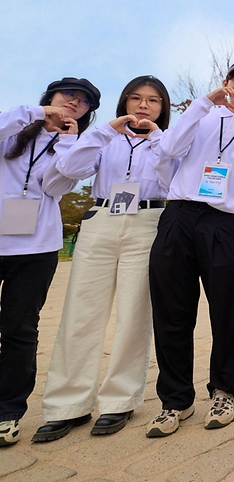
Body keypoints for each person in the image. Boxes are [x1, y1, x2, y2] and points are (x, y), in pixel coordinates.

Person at [34, 76, 174, 442]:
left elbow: (173, 180)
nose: (143, 105)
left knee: (133, 314)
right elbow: (70, 168)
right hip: (101, 221)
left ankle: (119, 401)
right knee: (81, 312)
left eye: (153, 100)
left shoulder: (167, 142)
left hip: (147, 223)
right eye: (135, 98)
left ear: (163, 108)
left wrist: (157, 137)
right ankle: (68, 405)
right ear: (123, 103)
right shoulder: (103, 139)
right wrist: (103, 132)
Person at [146, 60, 234, 437]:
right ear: (225, 82)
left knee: (224, 308)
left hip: (223, 219)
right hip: (179, 214)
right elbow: (169, 146)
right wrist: (204, 102)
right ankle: (175, 399)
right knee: (171, 309)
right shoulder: (201, 114)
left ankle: (224, 390)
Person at [0, 77, 99, 446]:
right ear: (50, 97)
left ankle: (8, 410)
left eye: (84, 102)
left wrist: (69, 144)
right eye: (67, 95)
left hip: (35, 249)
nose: (74, 103)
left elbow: (56, 187)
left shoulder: (74, 146)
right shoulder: (13, 131)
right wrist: (37, 114)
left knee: (19, 330)